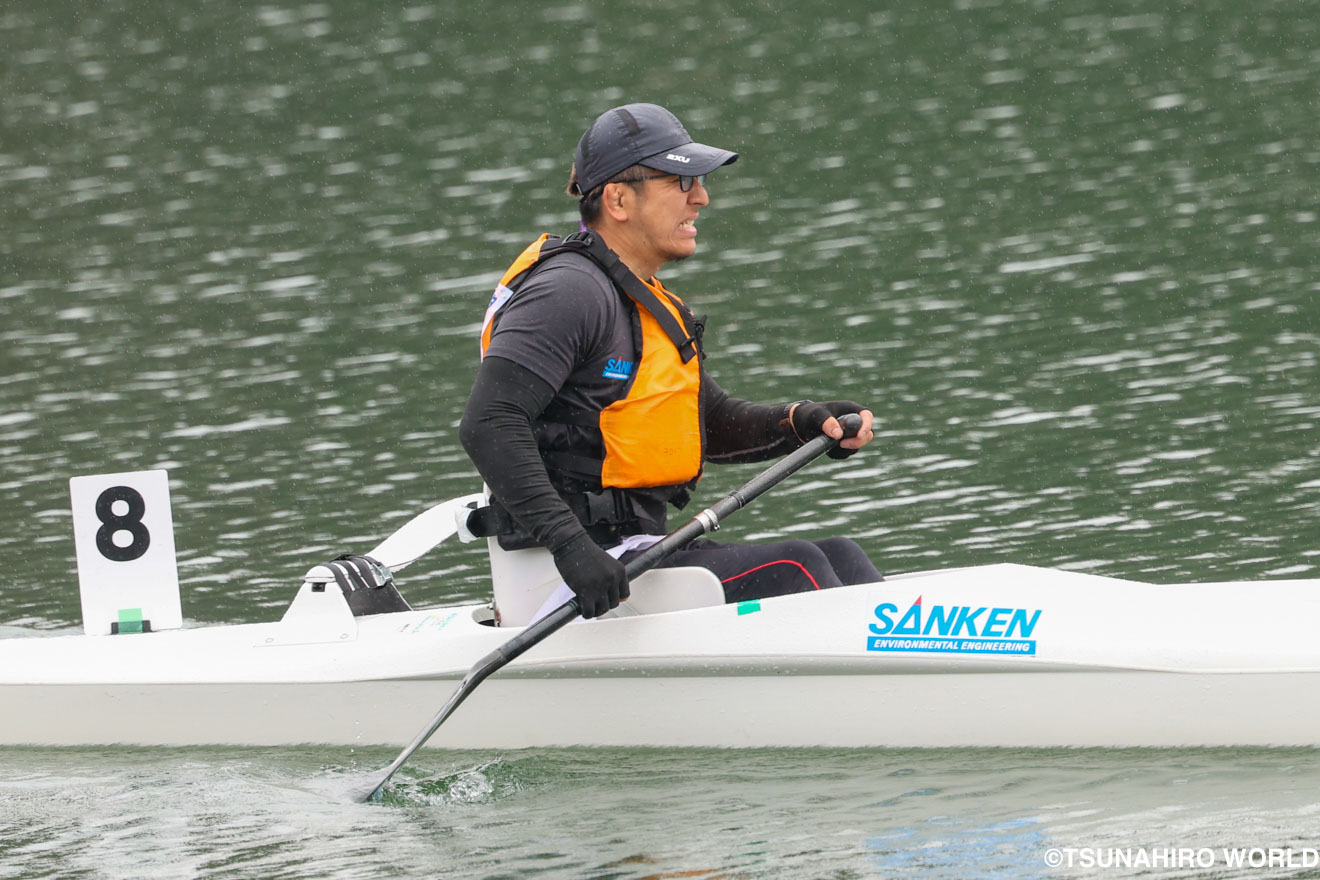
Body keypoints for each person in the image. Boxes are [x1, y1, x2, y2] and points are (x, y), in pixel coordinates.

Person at [459, 102, 881, 622]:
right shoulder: (566, 293)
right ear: (618, 198)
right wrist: (571, 547)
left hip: (637, 553)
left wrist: (805, 421)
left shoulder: (647, 302)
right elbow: (489, 424)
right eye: (680, 182)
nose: (700, 197)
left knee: (841, 554)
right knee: (800, 567)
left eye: (698, 182)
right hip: (567, 578)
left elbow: (710, 424)